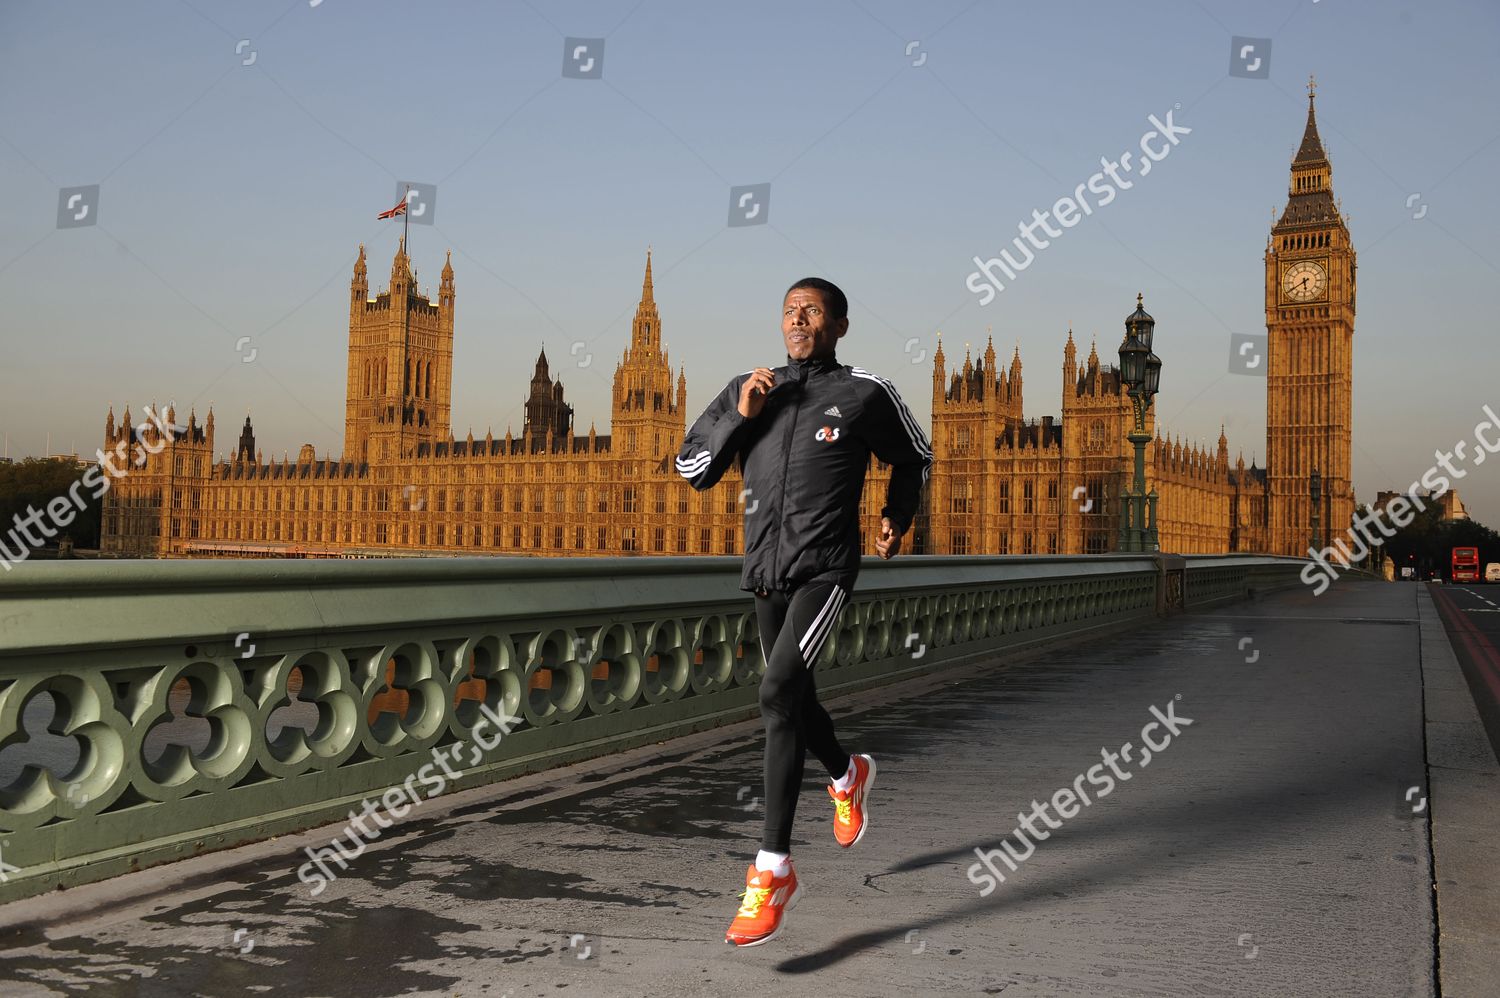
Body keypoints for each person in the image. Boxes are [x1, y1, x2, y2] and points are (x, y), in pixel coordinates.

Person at [675, 277, 933, 947]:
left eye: (811, 310)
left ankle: (772, 869)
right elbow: (690, 467)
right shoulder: (750, 387)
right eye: (789, 310)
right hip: (764, 573)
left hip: (826, 571)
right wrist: (740, 413)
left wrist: (895, 517)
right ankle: (848, 775)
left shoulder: (864, 393)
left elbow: (916, 456)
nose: (798, 319)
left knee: (776, 691)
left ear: (839, 325)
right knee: (793, 700)